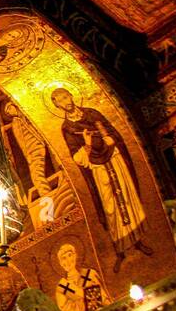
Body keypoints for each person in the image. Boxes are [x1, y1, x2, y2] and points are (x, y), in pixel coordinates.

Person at [51, 88, 151, 270]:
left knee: (127, 198)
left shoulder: (92, 113)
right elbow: (76, 157)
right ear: (57, 106)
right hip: (97, 168)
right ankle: (119, 250)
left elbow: (113, 133)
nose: (65, 100)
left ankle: (138, 241)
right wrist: (88, 145)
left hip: (114, 158)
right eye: (60, 100)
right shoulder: (68, 128)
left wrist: (109, 139)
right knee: (110, 208)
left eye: (66, 96)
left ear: (72, 95)